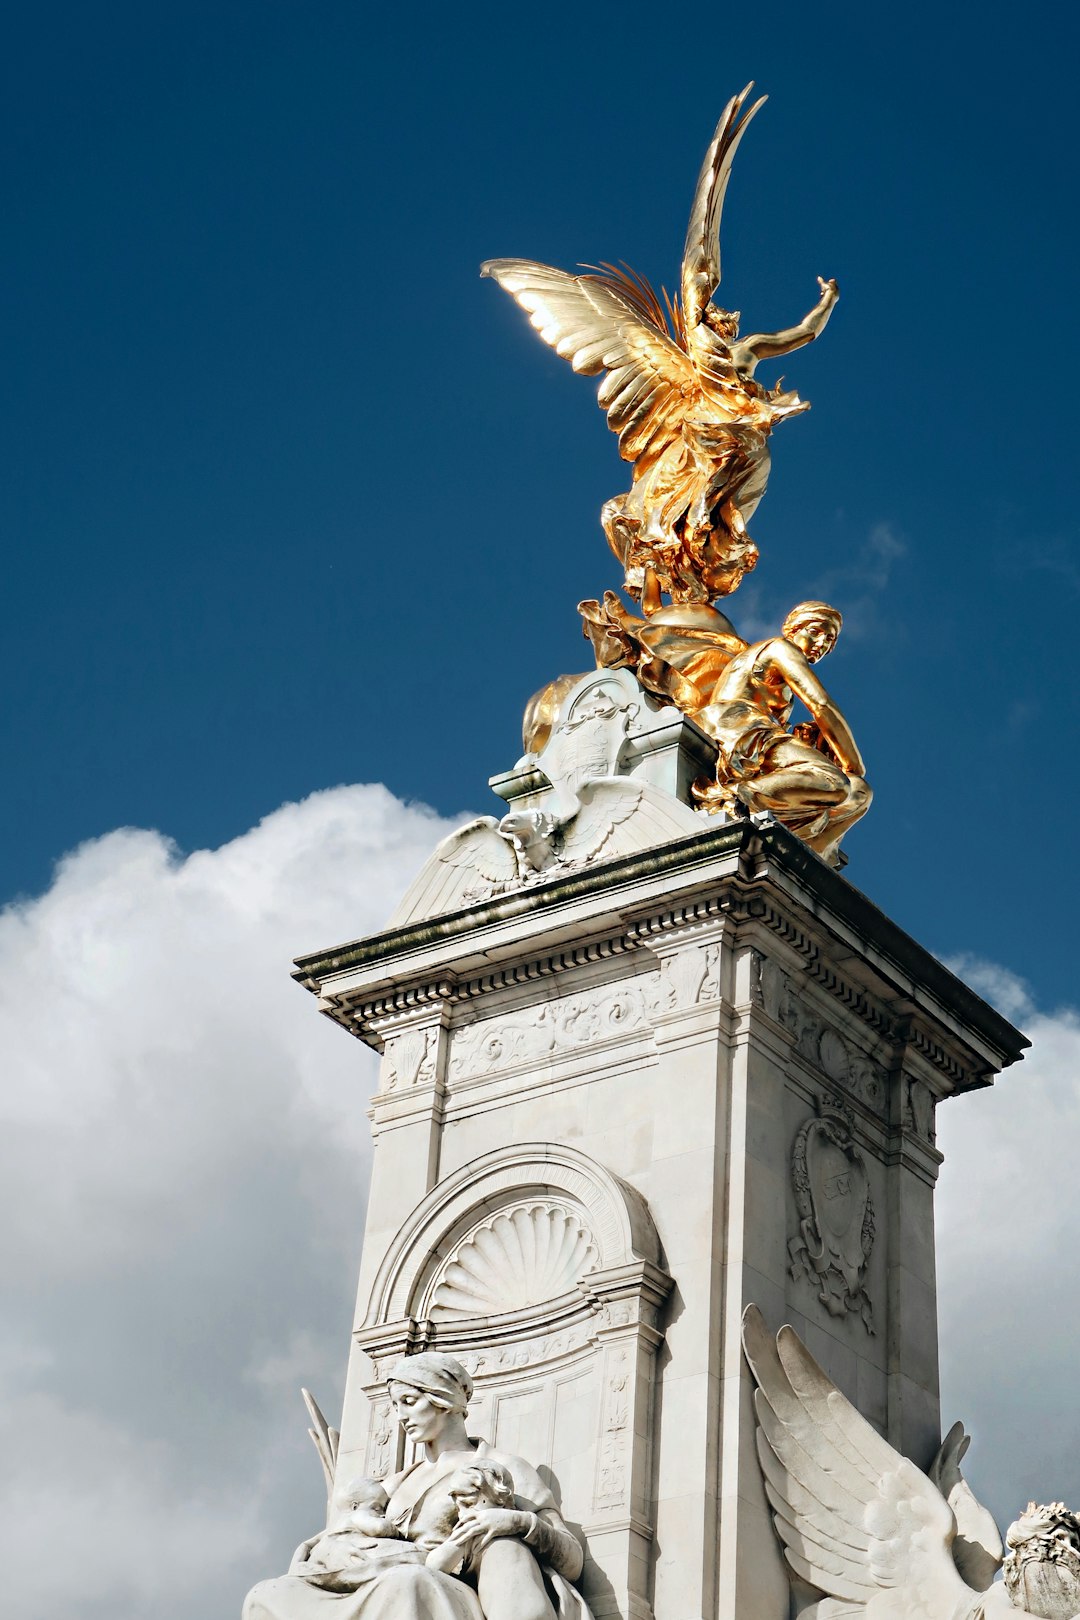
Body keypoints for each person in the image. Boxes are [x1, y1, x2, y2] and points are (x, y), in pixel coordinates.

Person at [242, 1352, 591, 1620]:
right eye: (395, 1405)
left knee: (406, 1583)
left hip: (443, 1587)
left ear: (445, 1400)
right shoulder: (390, 1485)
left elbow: (572, 1561)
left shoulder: (503, 1467)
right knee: (268, 1593)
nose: (400, 1416)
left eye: (409, 1402)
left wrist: (515, 1522)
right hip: (375, 1578)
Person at [693, 600, 871, 866]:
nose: (821, 642)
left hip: (760, 735)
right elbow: (820, 704)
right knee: (836, 782)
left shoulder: (781, 684)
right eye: (815, 631)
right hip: (736, 726)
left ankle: (808, 855)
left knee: (860, 793)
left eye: (829, 639)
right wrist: (853, 762)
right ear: (793, 628)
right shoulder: (778, 648)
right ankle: (734, 797)